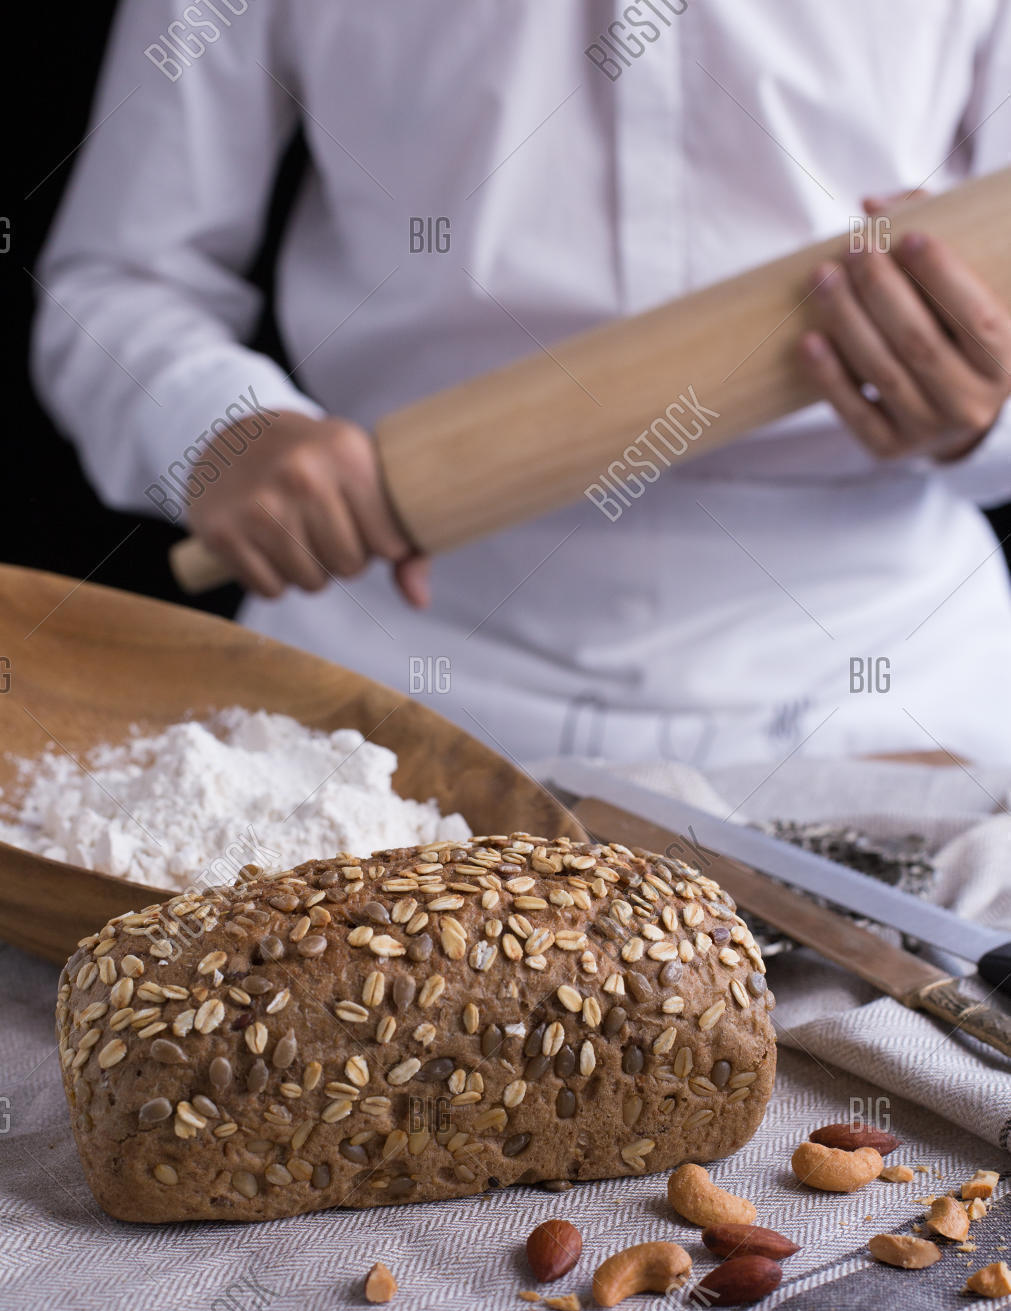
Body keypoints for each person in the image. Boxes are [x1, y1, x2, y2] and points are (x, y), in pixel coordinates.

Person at [33, 0, 1011, 768]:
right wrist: (219, 426)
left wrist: (981, 410)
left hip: (882, 696)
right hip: (392, 680)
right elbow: (117, 280)